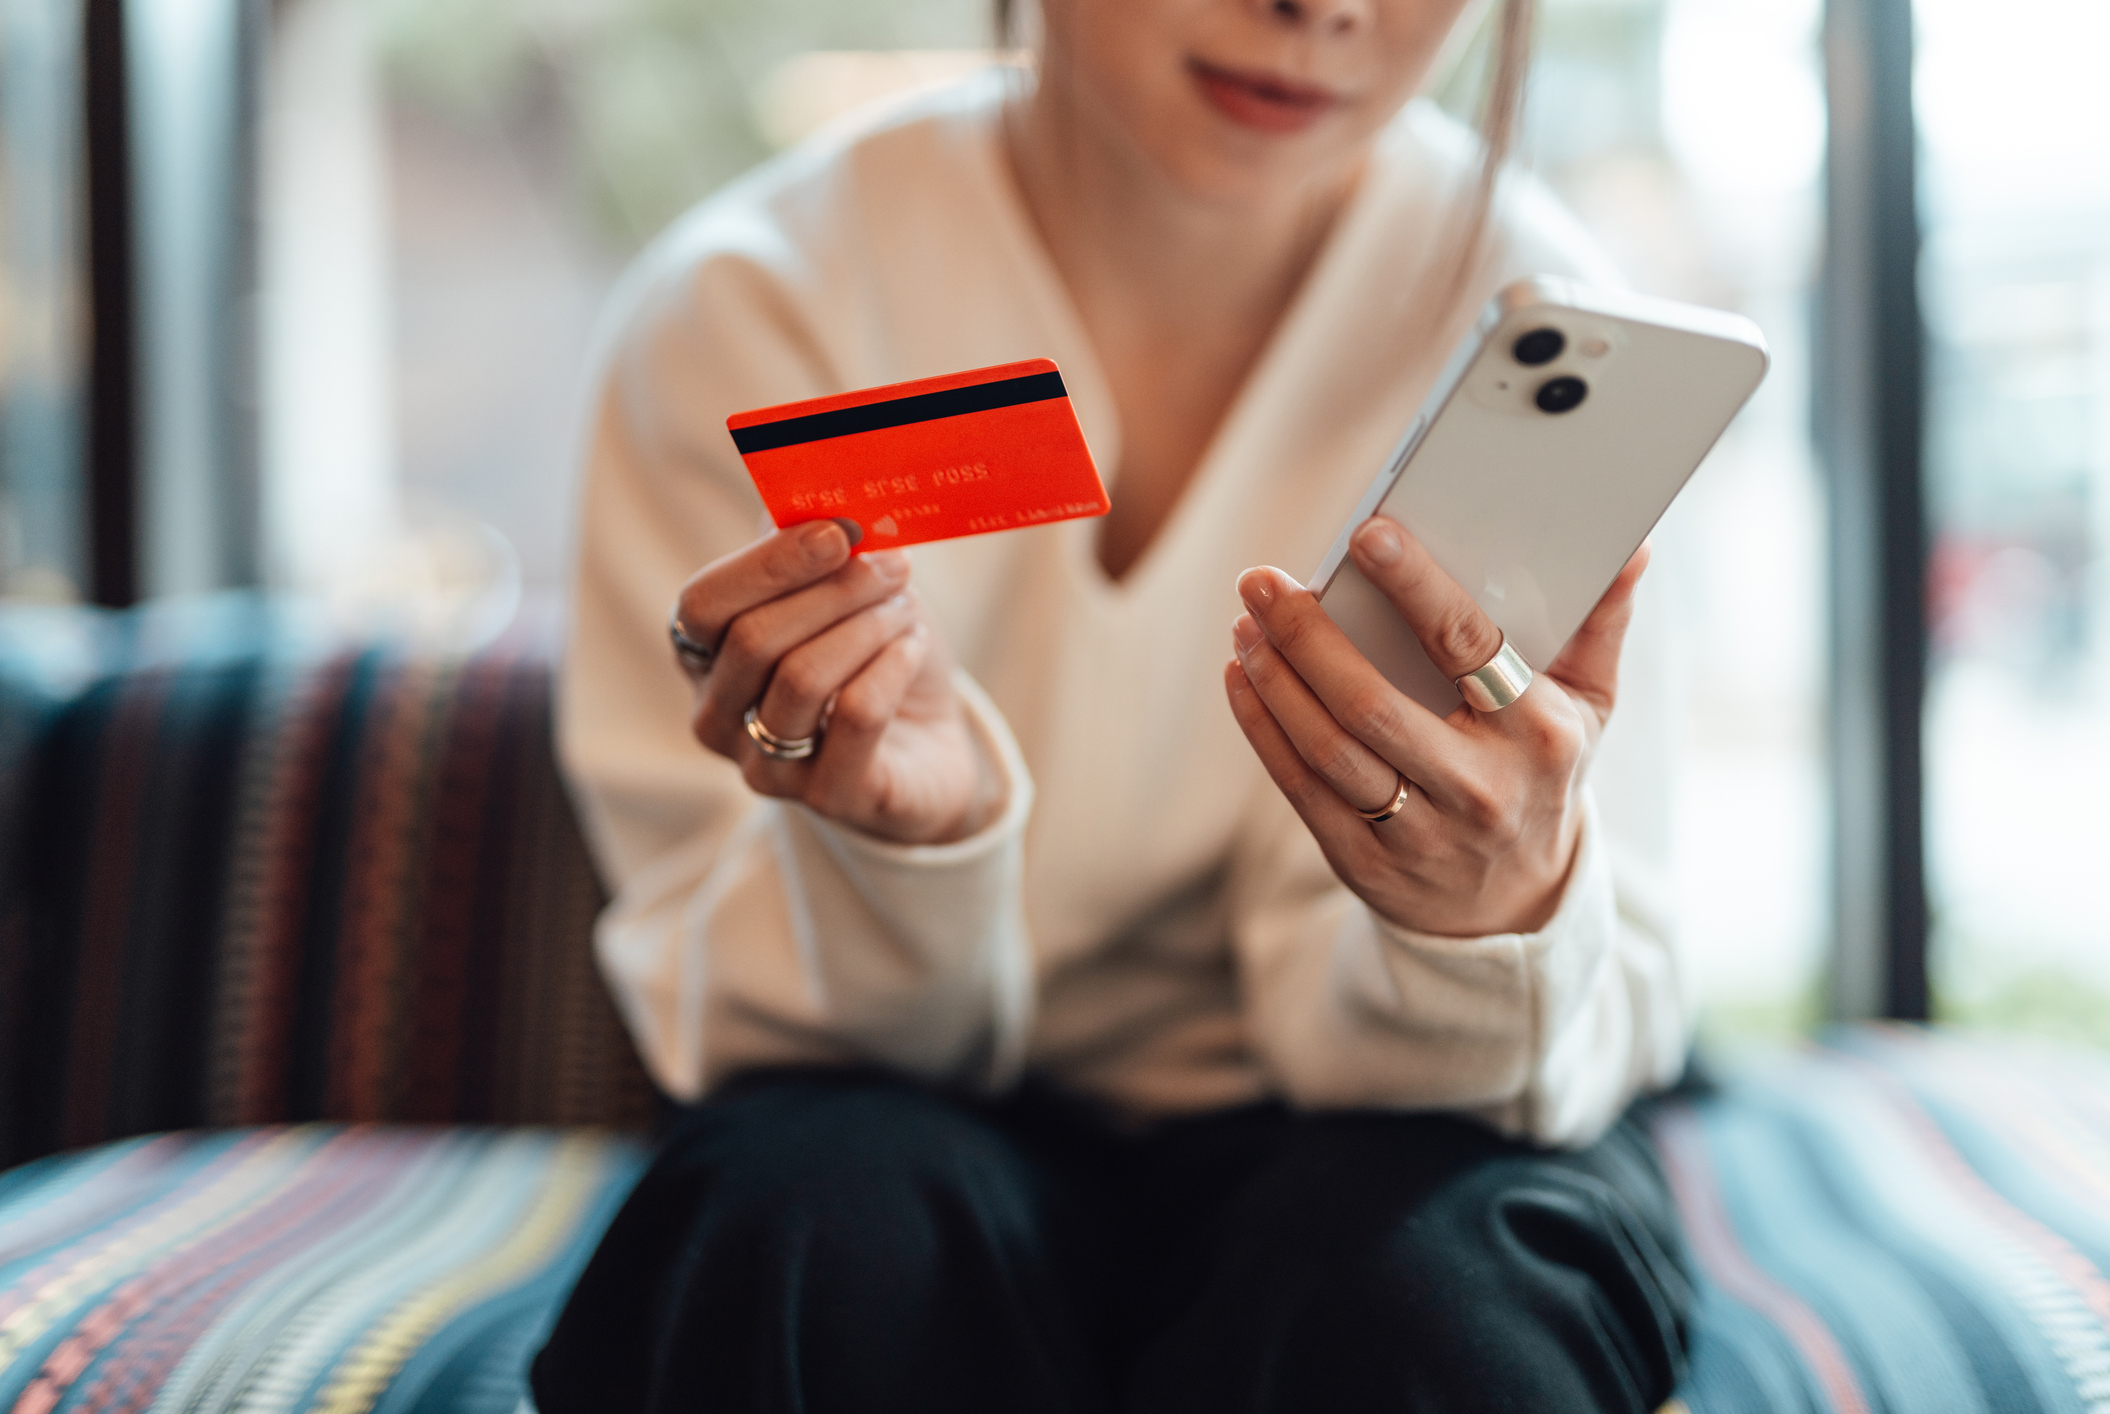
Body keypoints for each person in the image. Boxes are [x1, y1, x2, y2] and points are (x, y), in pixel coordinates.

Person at [532, 0, 1694, 1408]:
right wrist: (902, 849)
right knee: (810, 1230)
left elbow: (1602, 1005)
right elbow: (722, 1000)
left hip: (1405, 1128)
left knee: (1430, 1288)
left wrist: (1483, 916)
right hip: (907, 1110)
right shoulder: (755, 304)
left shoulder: (1547, 324)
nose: (1319, 9)